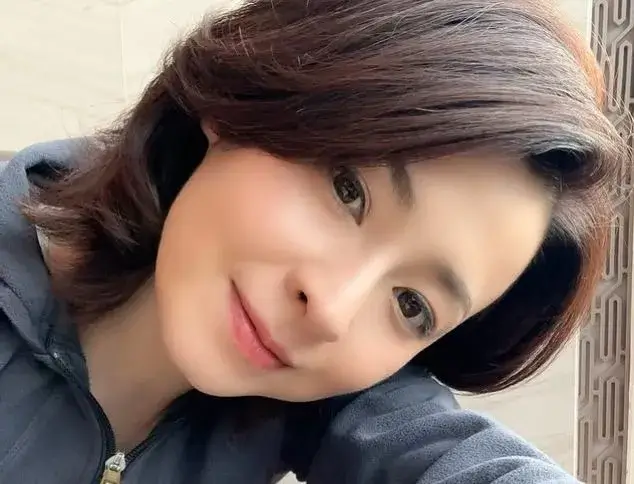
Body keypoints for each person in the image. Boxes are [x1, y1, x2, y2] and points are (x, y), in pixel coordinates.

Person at [0, 0, 628, 482]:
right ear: (245, 98)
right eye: (349, 191)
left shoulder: (322, 396)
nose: (331, 308)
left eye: (412, 305)